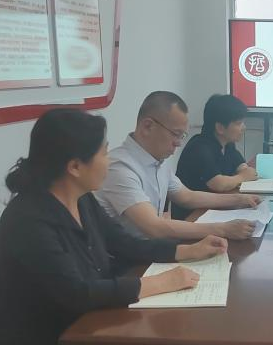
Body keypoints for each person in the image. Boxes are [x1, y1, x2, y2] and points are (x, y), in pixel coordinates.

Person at [0, 108, 227, 345]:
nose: (108, 161)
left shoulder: (81, 198)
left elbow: (123, 243)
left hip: (80, 332)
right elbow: (78, 292)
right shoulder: (29, 221)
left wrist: (186, 251)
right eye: (103, 153)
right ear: (74, 166)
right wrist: (159, 283)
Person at [96, 91, 262, 241]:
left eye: (182, 135)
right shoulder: (119, 167)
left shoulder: (157, 160)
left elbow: (187, 197)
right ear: (148, 126)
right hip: (128, 259)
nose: (179, 143)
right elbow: (155, 227)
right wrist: (223, 229)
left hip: (151, 248)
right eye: (176, 134)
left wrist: (238, 200)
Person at [176, 93, 259, 193]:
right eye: (238, 123)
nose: (244, 127)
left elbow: (242, 167)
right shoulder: (199, 148)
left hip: (215, 200)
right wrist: (242, 177)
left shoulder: (228, 144)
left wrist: (244, 173)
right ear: (220, 128)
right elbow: (218, 184)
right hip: (195, 203)